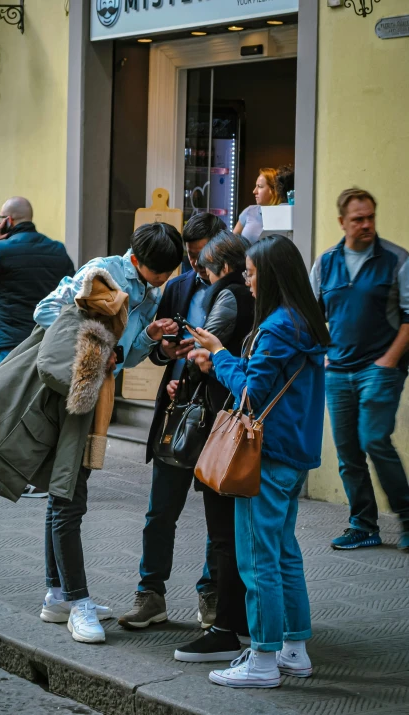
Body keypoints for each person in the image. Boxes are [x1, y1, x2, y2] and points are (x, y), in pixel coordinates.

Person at [32, 222, 184, 644]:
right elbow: (46, 312)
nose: (164, 283)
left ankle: (57, 595)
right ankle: (77, 602)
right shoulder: (102, 273)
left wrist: (148, 336)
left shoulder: (149, 295)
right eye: (159, 274)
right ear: (137, 261)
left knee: (65, 492)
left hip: (95, 399)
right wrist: (97, 344)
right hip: (71, 395)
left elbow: (126, 358)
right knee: (69, 500)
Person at [189, 234, 330, 688]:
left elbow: (250, 391)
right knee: (285, 552)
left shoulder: (275, 327)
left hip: (265, 455)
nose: (247, 282)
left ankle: (264, 661)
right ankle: (294, 649)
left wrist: (219, 354)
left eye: (250, 273)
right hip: (295, 453)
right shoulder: (306, 321)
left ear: (268, 276)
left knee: (257, 559)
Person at [118, 213, 241, 639]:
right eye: (190, 257)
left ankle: (210, 594)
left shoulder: (241, 291)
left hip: (222, 415)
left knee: (217, 517)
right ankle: (149, 593)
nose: (195, 266)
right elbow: (157, 350)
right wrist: (166, 351)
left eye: (201, 256)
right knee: (160, 510)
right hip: (179, 409)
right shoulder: (178, 286)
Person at [171, 230, 255, 662]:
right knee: (238, 530)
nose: (201, 275)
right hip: (245, 422)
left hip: (226, 422)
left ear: (222, 267)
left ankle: (223, 629)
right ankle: (239, 618)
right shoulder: (262, 299)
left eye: (204, 267)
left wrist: (194, 360)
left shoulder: (230, 295)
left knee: (222, 532)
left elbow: (208, 351)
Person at [310, 188, 409, 552]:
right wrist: (322, 355)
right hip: (337, 371)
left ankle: (407, 517)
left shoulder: (397, 259)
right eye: (358, 219)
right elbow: (312, 315)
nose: (366, 224)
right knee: (349, 452)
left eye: (370, 217)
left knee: (373, 440)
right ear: (342, 222)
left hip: (379, 370)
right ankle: (363, 524)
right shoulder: (326, 262)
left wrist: (390, 360)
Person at [0, 196, 74, 363]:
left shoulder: (1, 249)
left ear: (8, 220)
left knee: (12, 385)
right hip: (46, 332)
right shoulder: (57, 249)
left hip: (11, 336)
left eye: (1, 219)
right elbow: (72, 288)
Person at [233, 168, 280, 244]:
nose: (254, 191)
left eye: (260, 186)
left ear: (273, 189)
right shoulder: (249, 211)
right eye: (256, 186)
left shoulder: (285, 216)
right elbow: (231, 244)